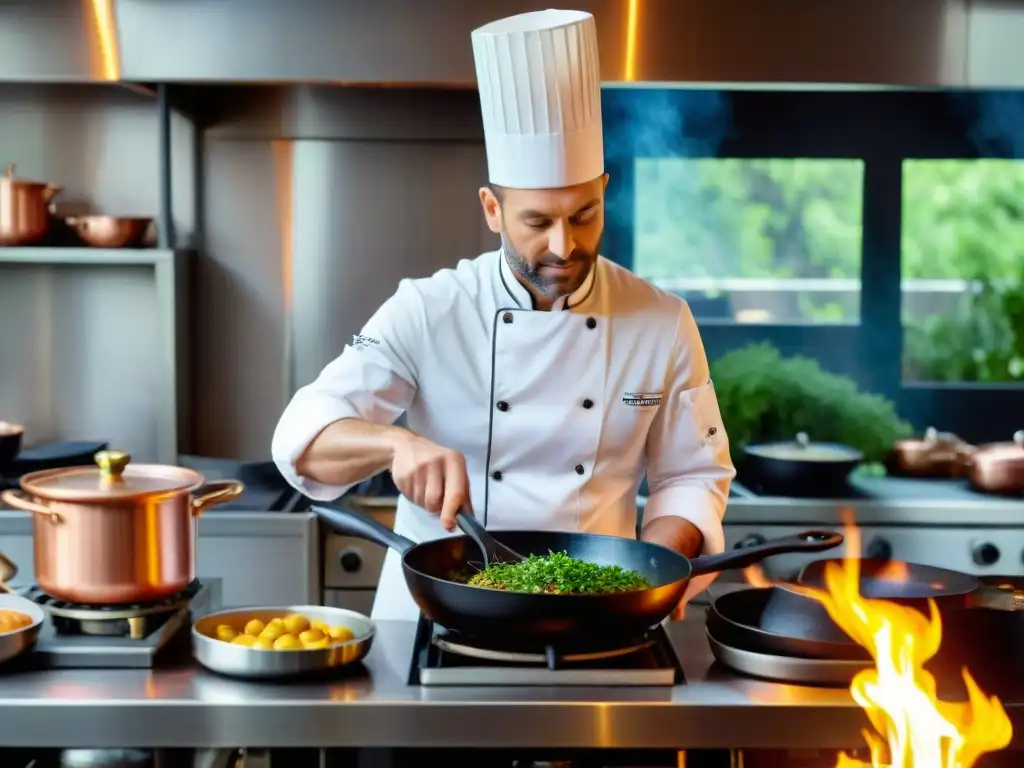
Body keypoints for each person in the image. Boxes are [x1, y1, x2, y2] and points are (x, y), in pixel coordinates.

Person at [271, 8, 735, 622]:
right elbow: (300, 440)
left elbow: (692, 476)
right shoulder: (429, 309)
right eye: (538, 222)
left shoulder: (661, 322)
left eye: (585, 215)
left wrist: (649, 576)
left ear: (604, 190)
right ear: (493, 209)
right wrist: (394, 444)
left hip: (595, 614)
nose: (564, 245)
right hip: (434, 611)